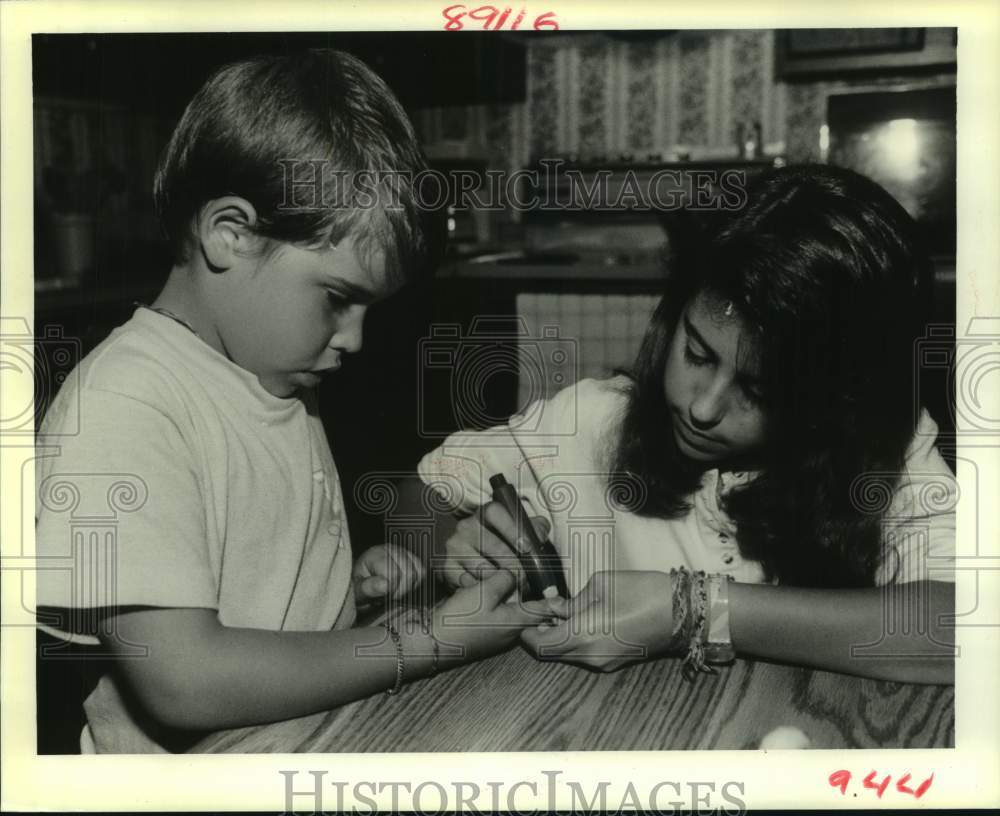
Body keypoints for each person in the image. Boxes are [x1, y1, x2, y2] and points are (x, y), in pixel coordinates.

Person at [34, 49, 549, 754]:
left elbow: (256, 588)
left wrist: (348, 600)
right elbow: (185, 680)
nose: (356, 339)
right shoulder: (128, 399)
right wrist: (423, 640)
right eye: (338, 299)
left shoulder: (267, 373)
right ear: (230, 236)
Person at [420, 165, 956, 685]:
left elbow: (967, 626)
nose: (703, 408)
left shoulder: (893, 450)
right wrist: (452, 546)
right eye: (698, 354)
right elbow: (419, 493)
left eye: (759, 391)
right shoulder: (590, 417)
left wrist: (696, 609)